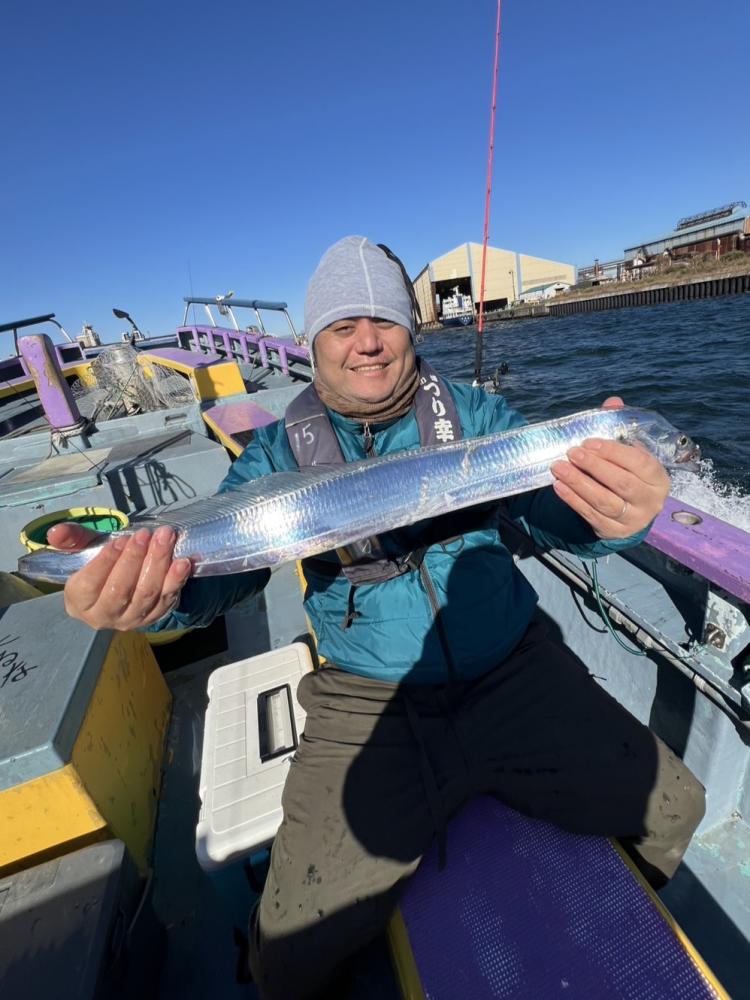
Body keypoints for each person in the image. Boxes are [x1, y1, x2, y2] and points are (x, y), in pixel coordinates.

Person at [53, 236, 705, 1000]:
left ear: (410, 331)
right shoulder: (275, 456)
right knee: (288, 955)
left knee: (673, 807)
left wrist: (611, 516)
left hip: (513, 665)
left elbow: (547, 512)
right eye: (343, 326)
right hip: (367, 695)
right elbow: (223, 578)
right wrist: (154, 596)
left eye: (384, 322)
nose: (366, 342)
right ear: (313, 342)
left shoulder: (477, 416)